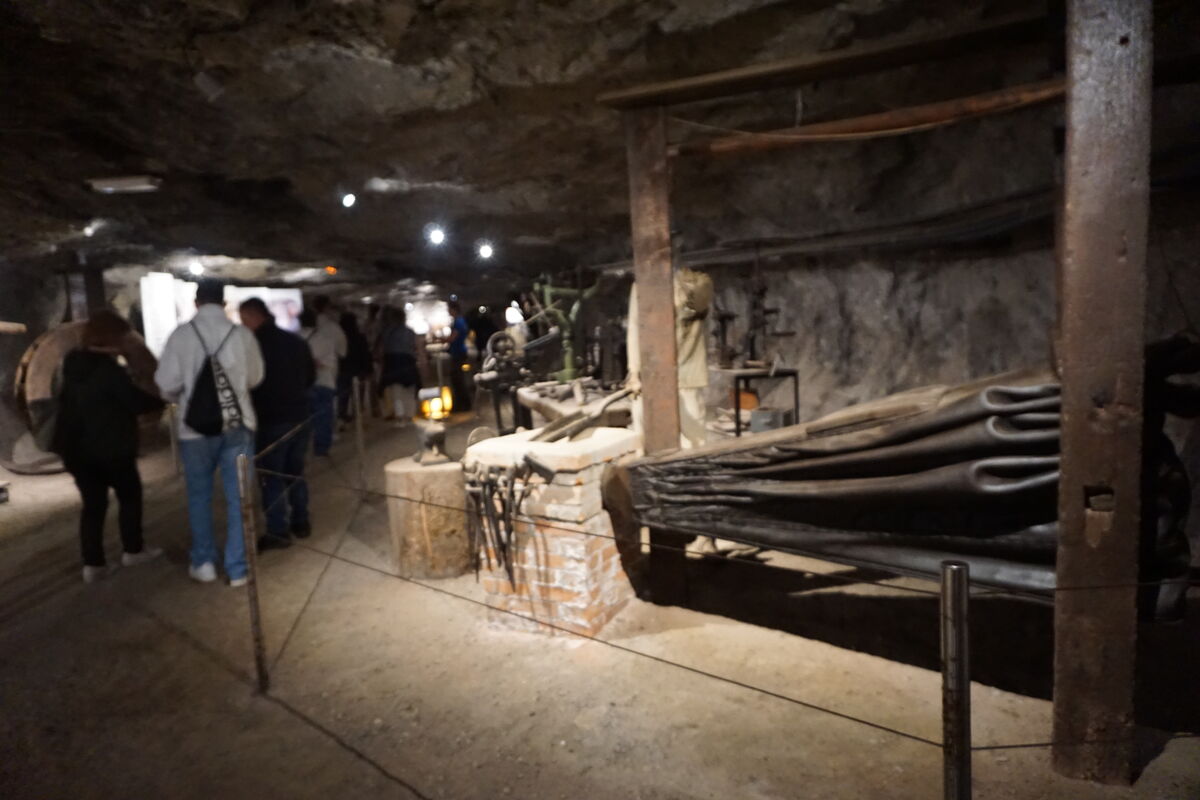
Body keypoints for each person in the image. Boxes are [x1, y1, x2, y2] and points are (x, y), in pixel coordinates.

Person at [155, 278, 264, 586]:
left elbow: (165, 384)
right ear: (225, 303)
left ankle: (203, 562)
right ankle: (237, 568)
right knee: (239, 497)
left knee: (199, 496)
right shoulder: (241, 334)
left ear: (196, 302)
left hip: (194, 430)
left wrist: (187, 397)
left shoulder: (181, 335)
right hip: (237, 424)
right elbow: (255, 378)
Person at [54, 310, 165, 583]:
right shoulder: (109, 371)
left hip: (76, 449)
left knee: (93, 505)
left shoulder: (72, 362)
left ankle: (93, 564)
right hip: (111, 447)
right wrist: (162, 399)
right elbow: (135, 402)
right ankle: (133, 550)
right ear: (113, 337)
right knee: (130, 496)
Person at [238, 297, 316, 551]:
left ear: (253, 316)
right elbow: (310, 376)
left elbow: (249, 382)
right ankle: (301, 521)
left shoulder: (254, 345)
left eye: (244, 319)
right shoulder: (295, 341)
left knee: (271, 477)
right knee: (295, 471)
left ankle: (278, 530)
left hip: (271, 418)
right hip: (300, 414)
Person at [304, 295, 347, 456]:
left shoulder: (294, 337)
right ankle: (322, 446)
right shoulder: (331, 331)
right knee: (324, 413)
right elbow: (342, 351)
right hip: (325, 379)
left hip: (303, 383)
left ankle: (305, 445)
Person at [378, 306, 421, 425]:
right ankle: (409, 415)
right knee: (410, 390)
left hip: (392, 362)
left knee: (396, 391)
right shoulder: (409, 332)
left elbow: (382, 349)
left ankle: (400, 416)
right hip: (408, 361)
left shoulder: (387, 332)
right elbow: (417, 347)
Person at [337, 311, 372, 425]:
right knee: (358, 395)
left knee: (343, 395)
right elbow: (365, 354)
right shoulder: (360, 337)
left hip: (343, 369)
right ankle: (357, 416)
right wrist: (368, 369)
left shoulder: (340, 337)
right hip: (358, 369)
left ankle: (342, 417)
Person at [446, 299, 472, 412]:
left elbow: (453, 338)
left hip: (458, 352)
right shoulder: (460, 321)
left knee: (457, 379)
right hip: (459, 351)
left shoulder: (458, 322)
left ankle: (462, 404)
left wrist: (441, 339)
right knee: (458, 379)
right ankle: (462, 404)